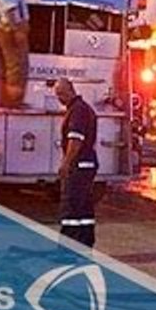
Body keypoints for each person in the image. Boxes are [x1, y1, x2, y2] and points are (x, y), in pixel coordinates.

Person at [55, 78, 98, 248]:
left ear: (69, 91)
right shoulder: (83, 108)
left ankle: (67, 248)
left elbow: (75, 140)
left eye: (60, 94)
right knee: (84, 208)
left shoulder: (77, 111)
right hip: (86, 165)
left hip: (78, 166)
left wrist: (66, 164)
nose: (59, 98)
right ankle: (85, 244)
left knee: (71, 207)